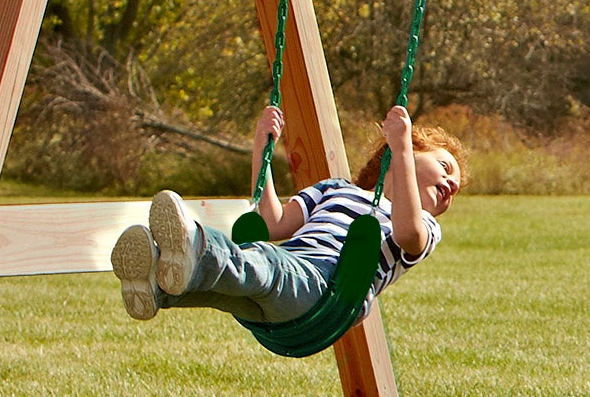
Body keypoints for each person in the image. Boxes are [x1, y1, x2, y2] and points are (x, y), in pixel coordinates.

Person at [110, 103, 460, 331]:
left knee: (263, 261)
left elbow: (408, 236)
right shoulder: (334, 189)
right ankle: (155, 284)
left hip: (326, 293)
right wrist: (262, 149)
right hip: (279, 302)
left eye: (455, 187)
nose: (450, 183)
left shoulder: (424, 225)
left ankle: (196, 242)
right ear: (412, 149)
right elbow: (273, 224)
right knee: (228, 287)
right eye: (445, 167)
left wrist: (399, 149)